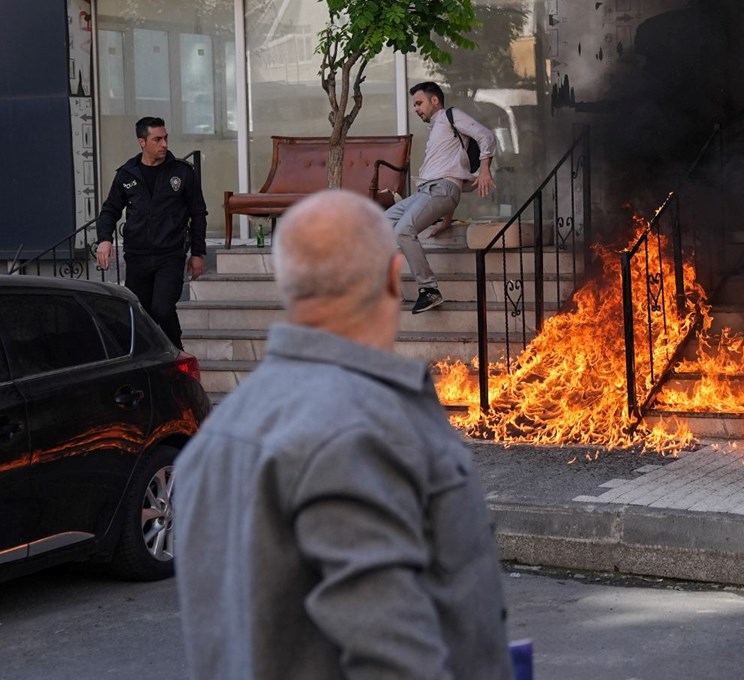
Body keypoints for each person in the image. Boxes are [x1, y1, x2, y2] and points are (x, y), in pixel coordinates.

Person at [173, 190, 514, 680]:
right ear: (393, 281)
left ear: (289, 287)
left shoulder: (214, 439)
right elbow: (394, 662)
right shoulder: (361, 432)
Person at [96, 116, 207, 349]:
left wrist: (198, 253)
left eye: (165, 138)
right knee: (139, 313)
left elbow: (198, 214)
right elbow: (110, 210)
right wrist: (104, 240)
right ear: (142, 142)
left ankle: (177, 353)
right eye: (157, 139)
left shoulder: (182, 172)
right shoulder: (127, 174)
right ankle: (152, 357)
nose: (164, 144)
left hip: (170, 255)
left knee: (162, 308)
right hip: (137, 256)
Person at [390, 81, 497, 314]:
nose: (416, 109)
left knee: (403, 230)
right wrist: (447, 217)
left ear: (434, 100)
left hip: (440, 191)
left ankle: (429, 289)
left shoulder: (451, 115)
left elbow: (485, 135)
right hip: (428, 192)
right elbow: (450, 171)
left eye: (419, 103)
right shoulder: (438, 131)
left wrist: (485, 168)